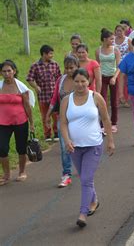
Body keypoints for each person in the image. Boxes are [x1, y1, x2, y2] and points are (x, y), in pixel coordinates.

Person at [59, 68, 115, 228]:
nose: (80, 84)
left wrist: (110, 141)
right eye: (76, 81)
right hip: (75, 147)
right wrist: (67, 140)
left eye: (83, 81)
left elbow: (106, 119)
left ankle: (83, 213)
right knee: (85, 177)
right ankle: (94, 201)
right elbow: (63, 123)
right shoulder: (66, 100)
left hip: (94, 145)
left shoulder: (96, 97)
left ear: (88, 82)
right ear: (73, 82)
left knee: (86, 179)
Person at [46, 56, 79, 188]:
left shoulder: (81, 79)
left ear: (77, 67)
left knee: (80, 145)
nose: (69, 70)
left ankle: (82, 167)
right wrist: (48, 115)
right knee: (65, 147)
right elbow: (54, 98)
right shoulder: (61, 80)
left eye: (72, 68)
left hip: (79, 119)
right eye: (67, 68)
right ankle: (66, 174)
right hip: (63, 119)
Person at [0, 60, 34, 185]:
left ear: (14, 71)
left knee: (21, 148)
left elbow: (27, 106)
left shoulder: (21, 87)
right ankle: (6, 175)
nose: (7, 73)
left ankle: (22, 171)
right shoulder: (0, 86)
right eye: (4, 71)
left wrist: (31, 124)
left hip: (20, 121)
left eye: (9, 71)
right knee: (2, 148)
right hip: (2, 123)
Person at [26, 44, 61, 142]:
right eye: (50, 54)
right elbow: (29, 78)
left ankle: (57, 132)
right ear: (44, 54)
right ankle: (47, 135)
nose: (52, 55)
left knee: (56, 115)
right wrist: (36, 87)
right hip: (43, 96)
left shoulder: (55, 64)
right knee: (45, 115)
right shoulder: (35, 66)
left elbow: (59, 77)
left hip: (54, 95)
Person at [95, 29, 121, 133]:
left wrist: (114, 77)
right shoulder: (98, 51)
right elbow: (97, 65)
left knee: (114, 101)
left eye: (113, 39)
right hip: (102, 77)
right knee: (103, 101)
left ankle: (114, 123)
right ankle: (103, 124)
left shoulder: (115, 50)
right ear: (105, 39)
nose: (113, 41)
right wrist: (97, 78)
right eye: (111, 39)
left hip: (113, 76)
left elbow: (119, 66)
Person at [115, 24, 132, 108]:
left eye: (120, 31)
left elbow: (132, 52)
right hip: (115, 64)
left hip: (126, 63)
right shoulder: (113, 40)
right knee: (117, 82)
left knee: (125, 82)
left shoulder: (128, 40)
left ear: (124, 31)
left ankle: (124, 99)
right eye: (117, 31)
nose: (118, 32)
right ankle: (117, 99)